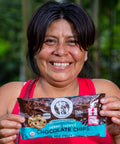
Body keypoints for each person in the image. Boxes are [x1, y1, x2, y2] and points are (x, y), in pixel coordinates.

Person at [0, 1, 120, 144]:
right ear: (34, 50)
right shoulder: (9, 96)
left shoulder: (106, 94)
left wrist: (118, 137)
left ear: (86, 52)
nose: (61, 51)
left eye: (72, 42)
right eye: (50, 41)